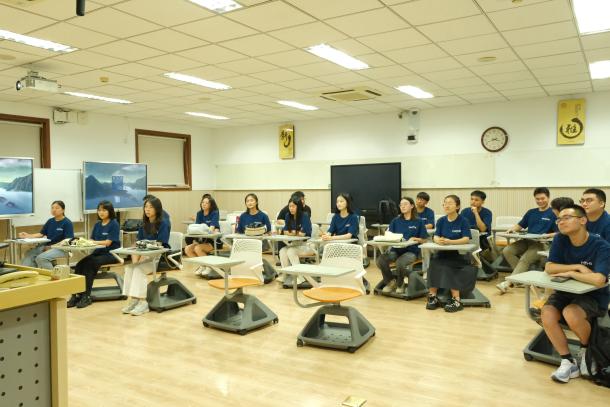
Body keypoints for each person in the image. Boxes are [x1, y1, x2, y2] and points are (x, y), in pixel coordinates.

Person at [541, 204, 610, 383]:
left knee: (570, 312)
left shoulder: (601, 245)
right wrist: (578, 267)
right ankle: (567, 361)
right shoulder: (560, 239)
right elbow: (549, 267)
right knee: (547, 313)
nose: (560, 222)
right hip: (566, 292)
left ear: (582, 220)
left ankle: (587, 352)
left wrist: (571, 273)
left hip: (594, 296)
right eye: (559, 219)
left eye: (566, 218)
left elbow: (599, 280)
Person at [496, 187, 557, 294]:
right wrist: (512, 229)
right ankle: (521, 278)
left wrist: (547, 235)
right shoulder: (531, 212)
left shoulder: (553, 213)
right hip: (527, 241)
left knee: (524, 259)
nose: (540, 201)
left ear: (548, 198)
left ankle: (508, 283)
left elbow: (559, 232)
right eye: (537, 199)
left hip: (542, 243)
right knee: (507, 250)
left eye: (542, 198)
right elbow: (520, 225)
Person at [122, 196, 171, 316]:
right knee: (130, 268)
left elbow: (161, 244)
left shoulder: (163, 223)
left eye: (151, 207)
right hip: (146, 256)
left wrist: (146, 247)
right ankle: (134, 300)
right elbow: (138, 242)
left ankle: (143, 303)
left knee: (138, 270)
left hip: (159, 258)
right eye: (146, 207)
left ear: (157, 209)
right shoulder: (144, 224)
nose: (147, 209)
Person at [68, 201, 121, 309]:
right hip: (98, 253)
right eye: (99, 210)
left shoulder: (114, 224)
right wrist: (84, 242)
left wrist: (92, 242)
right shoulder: (97, 224)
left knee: (90, 265)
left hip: (111, 254)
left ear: (110, 211)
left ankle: (86, 296)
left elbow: (108, 243)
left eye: (104, 210)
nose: (101, 212)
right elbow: (92, 239)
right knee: (79, 265)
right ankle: (76, 295)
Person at [426, 195, 474, 313]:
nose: (446, 205)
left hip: (459, 254)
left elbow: (466, 239)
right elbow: (436, 236)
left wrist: (450, 242)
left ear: (457, 206)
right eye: (445, 203)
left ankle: (456, 300)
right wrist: (437, 240)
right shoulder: (441, 221)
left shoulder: (463, 221)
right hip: (442, 253)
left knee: (449, 266)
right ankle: (433, 297)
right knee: (433, 264)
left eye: (450, 203)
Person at [377, 197, 428, 294]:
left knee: (400, 263)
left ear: (412, 206)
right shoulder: (395, 221)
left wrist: (415, 239)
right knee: (381, 260)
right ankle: (390, 282)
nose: (402, 206)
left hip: (411, 251)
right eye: (401, 205)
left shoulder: (419, 221)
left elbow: (424, 239)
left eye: (405, 204)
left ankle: (400, 284)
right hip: (396, 250)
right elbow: (389, 235)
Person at [20, 200, 74, 269]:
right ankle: (29, 273)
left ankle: (53, 275)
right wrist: (28, 235)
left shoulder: (67, 223)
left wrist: (51, 247)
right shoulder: (50, 221)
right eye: (52, 208)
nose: (54, 210)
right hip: (47, 246)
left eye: (57, 208)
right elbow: (41, 234)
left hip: (62, 249)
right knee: (30, 254)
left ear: (63, 210)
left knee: (41, 258)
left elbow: (68, 240)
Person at [278, 195, 314, 269]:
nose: (291, 208)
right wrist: (296, 232)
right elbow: (285, 232)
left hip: (306, 245)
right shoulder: (288, 216)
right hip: (293, 244)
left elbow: (302, 234)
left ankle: (299, 274)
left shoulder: (305, 216)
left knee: (291, 251)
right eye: (290, 206)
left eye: (293, 206)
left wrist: (292, 232)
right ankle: (286, 273)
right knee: (282, 251)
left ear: (299, 206)